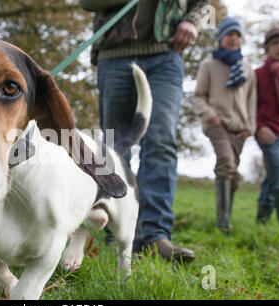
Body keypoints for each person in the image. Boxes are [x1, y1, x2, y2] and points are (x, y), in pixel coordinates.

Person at [79, 0, 210, 262]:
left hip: (166, 52)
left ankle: (154, 236)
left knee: (161, 143)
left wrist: (192, 21)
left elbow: (204, 3)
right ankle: (116, 230)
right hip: (114, 55)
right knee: (113, 148)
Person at [194, 17, 256, 233]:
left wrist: (250, 127)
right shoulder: (209, 64)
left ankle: (226, 214)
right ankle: (223, 222)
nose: (234, 39)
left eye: (238, 35)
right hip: (216, 123)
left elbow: (251, 100)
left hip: (240, 127)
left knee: (232, 171)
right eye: (229, 34)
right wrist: (211, 116)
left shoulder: (247, 67)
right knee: (226, 162)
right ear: (221, 37)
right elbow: (199, 96)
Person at [255, 25, 279, 225]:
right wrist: (259, 128)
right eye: (275, 43)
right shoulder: (258, 75)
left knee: (273, 175)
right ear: (267, 48)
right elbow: (250, 106)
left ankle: (262, 217)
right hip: (269, 133)